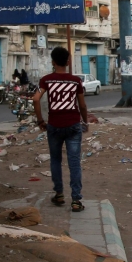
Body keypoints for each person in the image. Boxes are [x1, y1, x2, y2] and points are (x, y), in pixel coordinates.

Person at [34, 47, 89, 212]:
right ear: (68, 61)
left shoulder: (46, 80)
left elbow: (36, 99)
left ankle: (59, 194)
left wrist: (40, 121)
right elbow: (82, 105)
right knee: (74, 162)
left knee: (56, 160)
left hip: (54, 126)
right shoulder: (76, 81)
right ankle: (76, 200)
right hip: (73, 125)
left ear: (52, 61)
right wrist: (85, 121)